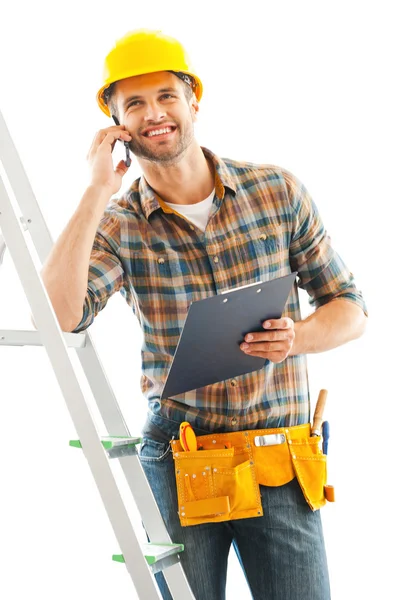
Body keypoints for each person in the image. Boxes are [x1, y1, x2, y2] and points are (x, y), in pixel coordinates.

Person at [40, 29, 368, 600]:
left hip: (281, 457)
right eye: (134, 104)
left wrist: (298, 337)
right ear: (117, 126)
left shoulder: (276, 192)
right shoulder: (119, 225)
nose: (154, 114)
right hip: (180, 458)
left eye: (166, 95)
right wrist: (95, 191)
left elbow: (350, 308)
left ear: (193, 99)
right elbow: (60, 315)